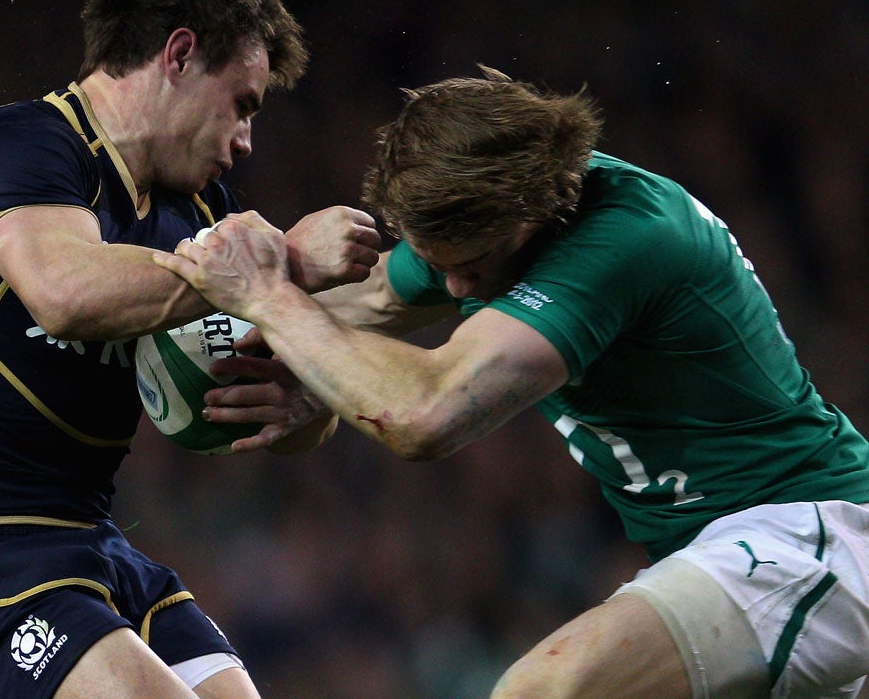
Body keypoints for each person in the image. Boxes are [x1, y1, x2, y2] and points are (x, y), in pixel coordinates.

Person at [154, 66, 869, 699]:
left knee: (546, 688)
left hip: (810, 532)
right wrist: (275, 330)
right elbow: (369, 305)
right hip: (735, 550)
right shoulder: (492, 222)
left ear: (535, 209)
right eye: (441, 261)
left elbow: (428, 413)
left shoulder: (622, 242)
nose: (457, 284)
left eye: (473, 263)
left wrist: (272, 303)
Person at [0, 0, 380, 699]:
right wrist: (288, 264)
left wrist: (308, 397)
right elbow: (65, 291)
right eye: (242, 105)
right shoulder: (25, 145)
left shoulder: (200, 215)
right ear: (179, 54)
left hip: (98, 554)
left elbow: (299, 407)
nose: (246, 140)